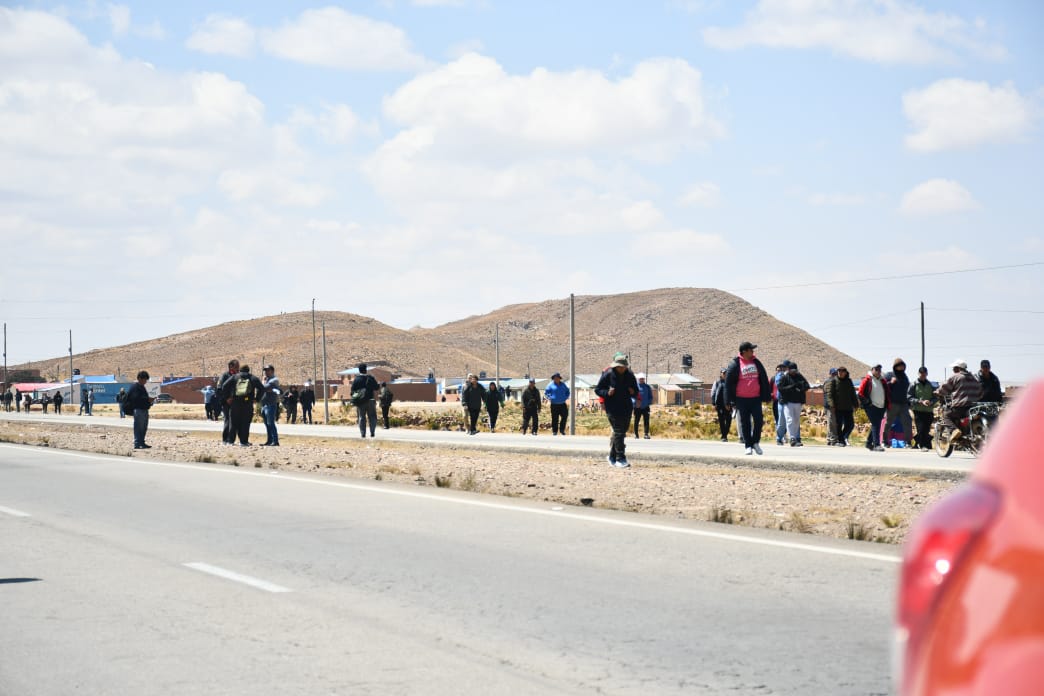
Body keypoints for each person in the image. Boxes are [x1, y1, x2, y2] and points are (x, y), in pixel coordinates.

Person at [724, 342, 772, 456]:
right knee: (745, 423)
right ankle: (748, 446)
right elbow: (728, 383)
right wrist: (727, 400)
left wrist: (767, 396)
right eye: (751, 350)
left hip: (755, 398)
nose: (753, 352)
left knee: (759, 421)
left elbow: (764, 379)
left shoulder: (756, 362)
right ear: (744, 351)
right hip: (741, 399)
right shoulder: (735, 364)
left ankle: (755, 442)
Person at [595, 352, 639, 467]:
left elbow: (636, 390)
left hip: (626, 407)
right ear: (615, 366)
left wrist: (633, 391)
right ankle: (620, 458)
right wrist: (607, 393)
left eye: (623, 367)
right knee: (618, 432)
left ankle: (612, 456)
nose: (621, 369)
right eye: (619, 367)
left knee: (621, 432)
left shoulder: (629, 374)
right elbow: (598, 389)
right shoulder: (608, 374)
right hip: (612, 408)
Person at [935, 360, 984, 446]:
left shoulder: (956, 377)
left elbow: (944, 389)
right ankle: (963, 436)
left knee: (946, 415)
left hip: (960, 407)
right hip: (973, 408)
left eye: (954, 368)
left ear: (958, 368)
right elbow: (981, 393)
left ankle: (954, 430)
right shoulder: (974, 378)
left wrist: (937, 392)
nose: (953, 370)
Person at [222, 364, 263, 446]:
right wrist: (256, 399)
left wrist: (227, 398)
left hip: (235, 403)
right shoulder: (252, 378)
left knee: (233, 422)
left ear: (240, 370)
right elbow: (261, 388)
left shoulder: (234, 377)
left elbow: (224, 386)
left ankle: (230, 441)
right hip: (247, 403)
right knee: (245, 423)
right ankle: (243, 442)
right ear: (248, 370)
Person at [777, 361, 810, 446]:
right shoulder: (785, 377)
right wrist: (791, 387)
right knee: (790, 420)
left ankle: (795, 438)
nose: (793, 372)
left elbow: (807, 386)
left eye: (795, 370)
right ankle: (792, 438)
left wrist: (800, 388)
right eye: (792, 370)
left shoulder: (799, 376)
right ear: (788, 369)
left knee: (796, 421)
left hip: (798, 402)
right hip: (788, 402)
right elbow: (780, 388)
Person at [858, 364, 890, 452]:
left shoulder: (882, 380)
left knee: (877, 424)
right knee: (876, 424)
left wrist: (887, 404)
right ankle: (876, 445)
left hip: (881, 406)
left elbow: (887, 392)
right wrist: (868, 403)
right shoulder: (867, 380)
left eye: (879, 370)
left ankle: (869, 443)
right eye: (876, 369)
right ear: (872, 370)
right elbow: (860, 393)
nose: (878, 371)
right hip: (871, 406)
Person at [883, 358, 912, 447]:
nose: (901, 367)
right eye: (899, 365)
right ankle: (885, 441)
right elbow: (883, 387)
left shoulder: (905, 376)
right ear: (895, 366)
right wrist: (890, 383)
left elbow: (908, 390)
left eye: (903, 365)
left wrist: (909, 402)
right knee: (889, 423)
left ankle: (908, 442)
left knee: (907, 422)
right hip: (893, 404)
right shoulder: (889, 375)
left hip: (903, 404)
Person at [908, 366, 937, 450]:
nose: (922, 375)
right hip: (918, 410)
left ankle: (921, 443)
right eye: (921, 373)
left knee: (926, 429)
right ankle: (922, 445)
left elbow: (936, 397)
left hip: (928, 410)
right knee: (920, 429)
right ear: (918, 374)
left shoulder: (931, 385)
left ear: (927, 374)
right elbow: (909, 397)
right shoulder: (913, 384)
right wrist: (920, 401)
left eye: (924, 374)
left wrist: (931, 402)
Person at [828, 367, 857, 446]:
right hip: (838, 407)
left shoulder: (849, 381)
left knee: (850, 424)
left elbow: (853, 393)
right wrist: (832, 405)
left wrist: (856, 404)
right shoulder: (834, 381)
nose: (840, 373)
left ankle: (843, 437)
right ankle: (840, 441)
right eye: (839, 371)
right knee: (839, 424)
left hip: (848, 407)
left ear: (845, 373)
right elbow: (829, 394)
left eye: (842, 371)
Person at [126, 370, 154, 449]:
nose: (145, 381)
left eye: (146, 380)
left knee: (144, 427)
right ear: (139, 378)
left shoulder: (142, 387)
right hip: (138, 410)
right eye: (144, 379)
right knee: (139, 427)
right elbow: (136, 399)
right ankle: (137, 443)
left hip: (144, 410)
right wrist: (148, 399)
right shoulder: (135, 387)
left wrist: (149, 401)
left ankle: (142, 442)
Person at [351, 363, 380, 438]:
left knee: (361, 417)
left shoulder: (356, 380)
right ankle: (372, 432)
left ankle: (363, 434)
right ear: (366, 370)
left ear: (359, 370)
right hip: (370, 400)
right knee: (372, 417)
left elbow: (352, 392)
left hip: (360, 402)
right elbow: (376, 388)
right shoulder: (370, 378)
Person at [217, 359, 241, 443]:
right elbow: (219, 389)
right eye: (236, 366)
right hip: (226, 403)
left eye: (238, 366)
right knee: (228, 420)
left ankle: (231, 440)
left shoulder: (238, 376)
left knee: (235, 421)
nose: (238, 368)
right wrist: (226, 399)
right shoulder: (224, 376)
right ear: (231, 367)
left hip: (236, 402)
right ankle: (225, 439)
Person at [260, 364, 281, 446]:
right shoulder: (267, 379)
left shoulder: (274, 380)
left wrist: (262, 383)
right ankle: (269, 440)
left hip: (271, 404)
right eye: (265, 370)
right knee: (267, 424)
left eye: (267, 370)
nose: (265, 372)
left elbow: (265, 387)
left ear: (272, 371)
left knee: (271, 423)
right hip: (264, 404)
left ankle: (275, 441)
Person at [710, 368, 732, 442]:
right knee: (722, 421)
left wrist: (732, 403)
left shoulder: (730, 382)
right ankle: (724, 436)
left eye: (725, 373)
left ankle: (725, 434)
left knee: (729, 421)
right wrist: (713, 403)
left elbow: (732, 393)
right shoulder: (717, 382)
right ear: (721, 374)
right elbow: (713, 393)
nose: (724, 374)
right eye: (723, 373)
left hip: (728, 405)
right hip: (720, 405)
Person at [632, 373, 653, 439]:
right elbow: (632, 397)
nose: (641, 380)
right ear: (638, 379)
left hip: (645, 407)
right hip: (637, 407)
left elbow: (650, 397)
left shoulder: (647, 387)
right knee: (636, 421)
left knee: (646, 421)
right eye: (640, 379)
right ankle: (636, 434)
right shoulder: (635, 387)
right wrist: (635, 403)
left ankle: (646, 434)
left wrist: (648, 403)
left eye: (643, 379)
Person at [822, 368, 839, 445]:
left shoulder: (835, 382)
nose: (835, 375)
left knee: (832, 422)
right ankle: (832, 439)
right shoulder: (829, 382)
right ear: (830, 374)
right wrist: (832, 405)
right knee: (832, 423)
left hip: (831, 406)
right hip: (830, 406)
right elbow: (829, 395)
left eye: (836, 374)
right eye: (833, 374)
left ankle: (830, 439)